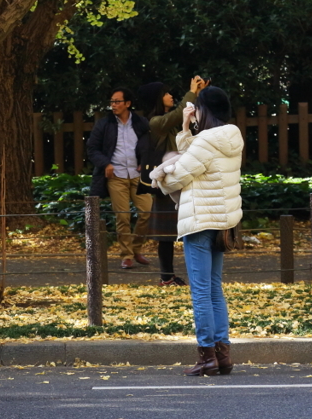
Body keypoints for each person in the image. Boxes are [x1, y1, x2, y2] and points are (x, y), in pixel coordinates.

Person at [155, 86, 243, 377]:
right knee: (215, 290)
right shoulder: (231, 136)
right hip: (222, 223)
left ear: (204, 110)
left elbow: (179, 174)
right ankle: (222, 354)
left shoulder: (205, 141)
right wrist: (184, 127)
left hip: (199, 222)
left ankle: (206, 357)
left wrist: (159, 175)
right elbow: (192, 154)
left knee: (201, 292)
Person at [136, 76, 208, 286]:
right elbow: (179, 114)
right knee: (166, 235)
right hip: (167, 183)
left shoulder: (170, 121)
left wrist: (200, 93)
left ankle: (185, 274)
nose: (170, 96)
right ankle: (167, 276)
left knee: (191, 230)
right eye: (166, 93)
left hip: (184, 177)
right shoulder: (156, 122)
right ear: (157, 99)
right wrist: (192, 93)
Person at [87, 87, 151, 270]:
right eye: (112, 102)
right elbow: (92, 149)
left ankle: (136, 249)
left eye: (117, 101)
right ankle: (127, 255)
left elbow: (150, 144)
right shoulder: (104, 124)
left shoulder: (140, 123)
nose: (113, 105)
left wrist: (144, 161)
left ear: (127, 104)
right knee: (123, 216)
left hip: (138, 175)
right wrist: (106, 163)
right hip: (116, 176)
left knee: (147, 212)